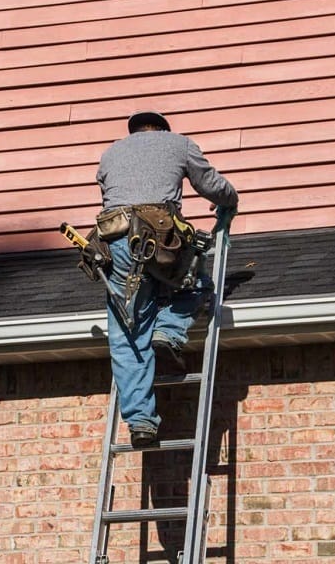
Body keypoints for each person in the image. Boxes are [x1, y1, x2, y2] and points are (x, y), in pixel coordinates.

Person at [95, 110, 238, 447]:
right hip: (162, 240)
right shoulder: (178, 144)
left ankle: (141, 422)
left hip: (116, 243)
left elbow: (109, 193)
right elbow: (210, 184)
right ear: (162, 129)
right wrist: (231, 200)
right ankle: (168, 331)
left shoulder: (111, 153)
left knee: (127, 330)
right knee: (198, 283)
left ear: (133, 133)